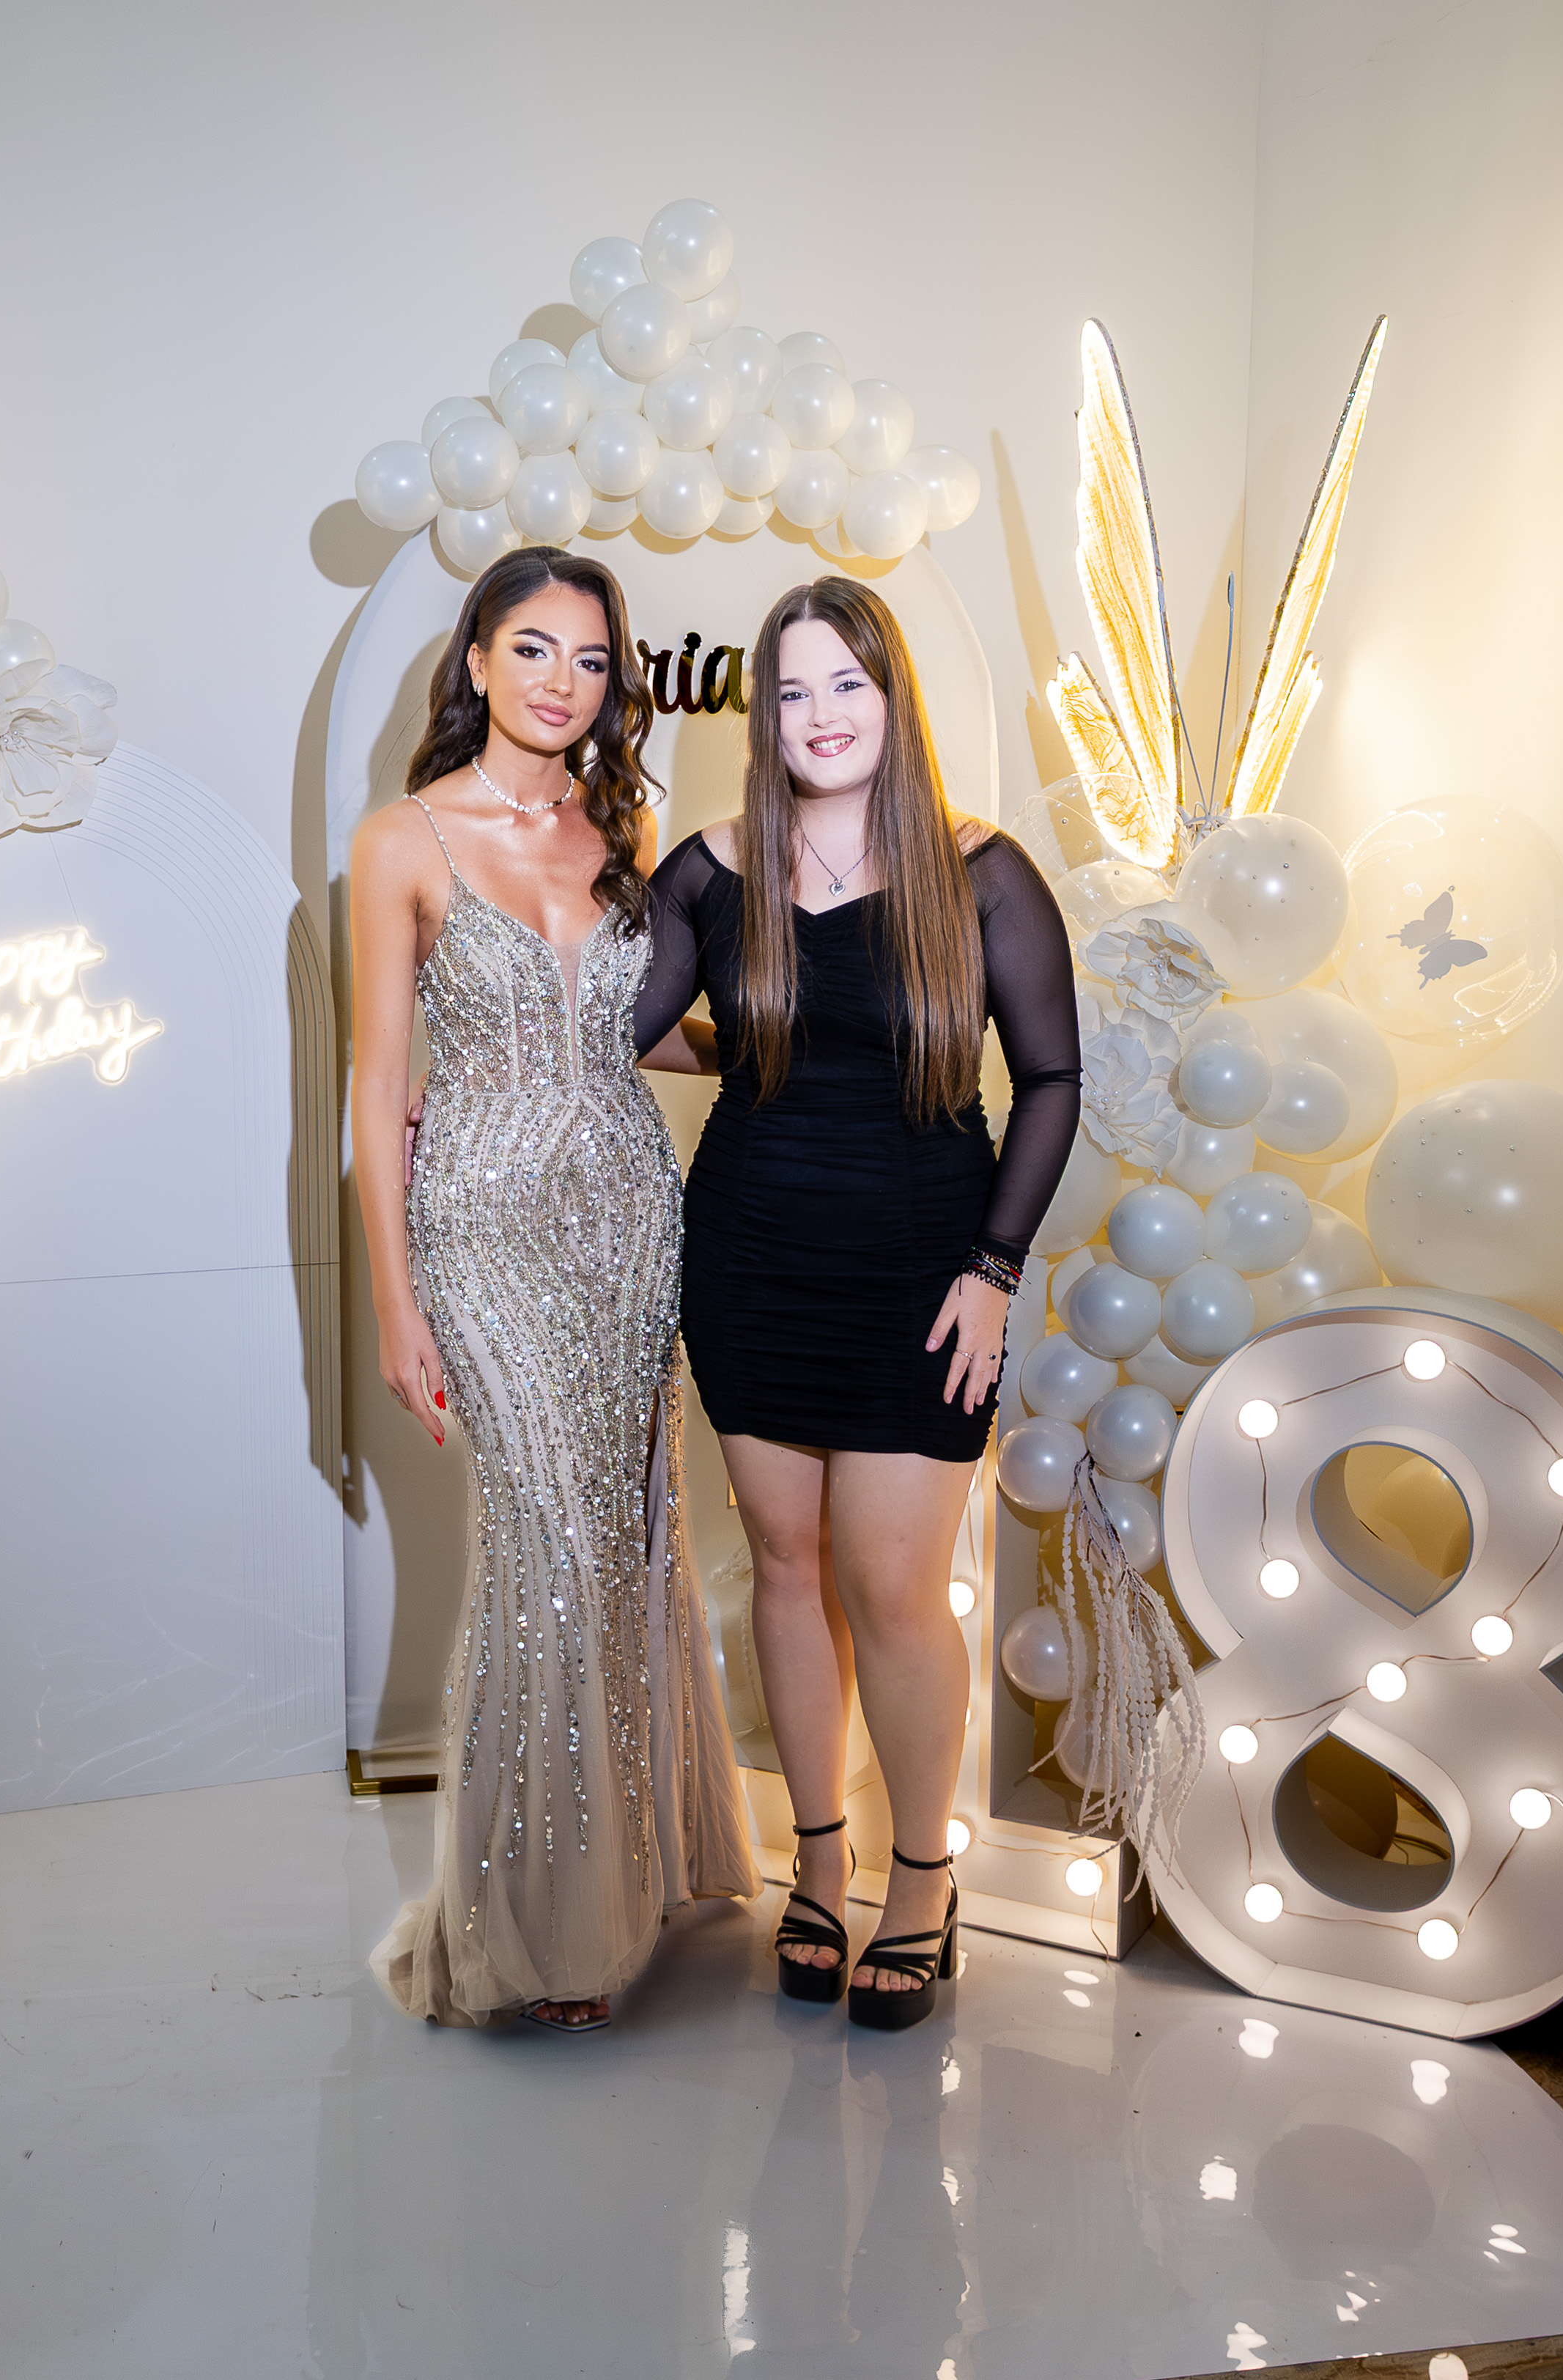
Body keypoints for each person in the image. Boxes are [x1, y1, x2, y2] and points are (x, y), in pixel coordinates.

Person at [629, 577, 1082, 2030]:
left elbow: (1050, 1079)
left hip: (924, 1274)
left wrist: (993, 1272)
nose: (819, 715)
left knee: (891, 1586)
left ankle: (922, 1878)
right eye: (790, 690)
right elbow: (612, 1028)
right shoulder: (709, 871)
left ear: (892, 701)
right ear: (760, 716)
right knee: (784, 1566)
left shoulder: (981, 871)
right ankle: (818, 1866)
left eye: (847, 685)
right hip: (751, 1260)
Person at [355, 545, 752, 2032]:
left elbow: (622, 1032)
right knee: (548, 1555)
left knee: (634, 1532)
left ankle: (637, 1868)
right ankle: (532, 1921)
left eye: (590, 660)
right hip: (481, 1226)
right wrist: (395, 1303)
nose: (560, 683)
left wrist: (775, 1040)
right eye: (532, 649)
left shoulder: (619, 825)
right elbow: (376, 1085)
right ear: (474, 658)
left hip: (628, 1218)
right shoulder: (400, 840)